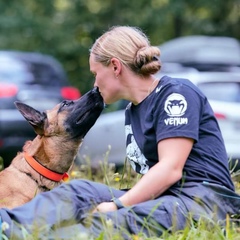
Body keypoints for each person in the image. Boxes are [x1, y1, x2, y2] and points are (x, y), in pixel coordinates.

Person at [1, 26, 240, 239]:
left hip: (204, 202)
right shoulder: (133, 111)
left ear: (115, 66)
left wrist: (118, 204)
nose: (94, 84)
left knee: (107, 221)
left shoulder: (175, 94)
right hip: (166, 200)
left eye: (96, 74)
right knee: (78, 191)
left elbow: (170, 168)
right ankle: (6, 227)